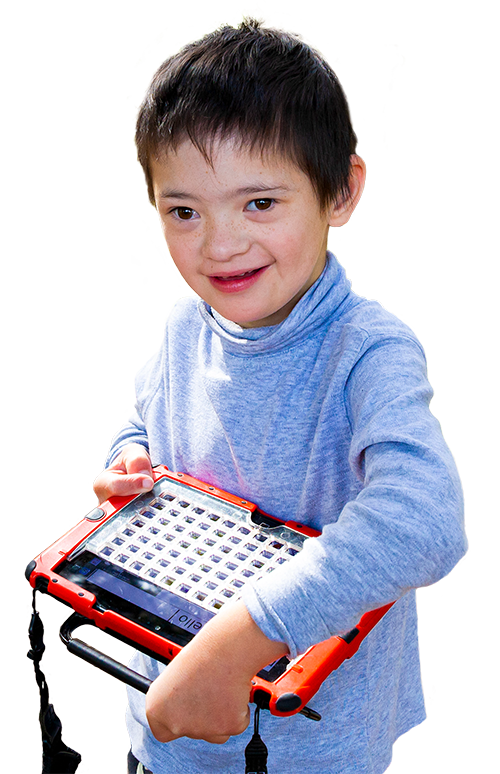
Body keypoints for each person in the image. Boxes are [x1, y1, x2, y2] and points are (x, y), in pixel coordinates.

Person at [93, 18, 469, 774]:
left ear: (341, 192)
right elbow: (143, 426)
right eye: (184, 211)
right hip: (164, 719)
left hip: (312, 748)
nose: (219, 244)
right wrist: (128, 464)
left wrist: (245, 638)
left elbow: (425, 521)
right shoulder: (179, 328)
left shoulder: (369, 351)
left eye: (260, 203)